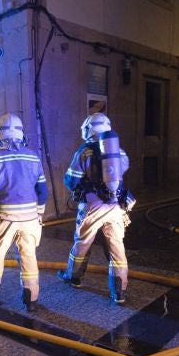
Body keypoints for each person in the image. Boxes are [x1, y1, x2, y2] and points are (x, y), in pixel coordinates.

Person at [58, 112, 135, 304]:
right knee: (117, 247)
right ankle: (119, 292)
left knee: (82, 242)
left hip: (92, 205)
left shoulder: (84, 152)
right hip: (116, 204)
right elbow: (123, 168)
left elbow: (71, 180)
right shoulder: (118, 151)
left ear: (88, 129)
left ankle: (74, 277)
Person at [0, 113, 48, 312]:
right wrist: (39, 212)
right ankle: (31, 300)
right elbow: (42, 190)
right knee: (28, 257)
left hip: (4, 218)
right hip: (30, 218)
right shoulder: (33, 156)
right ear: (21, 133)